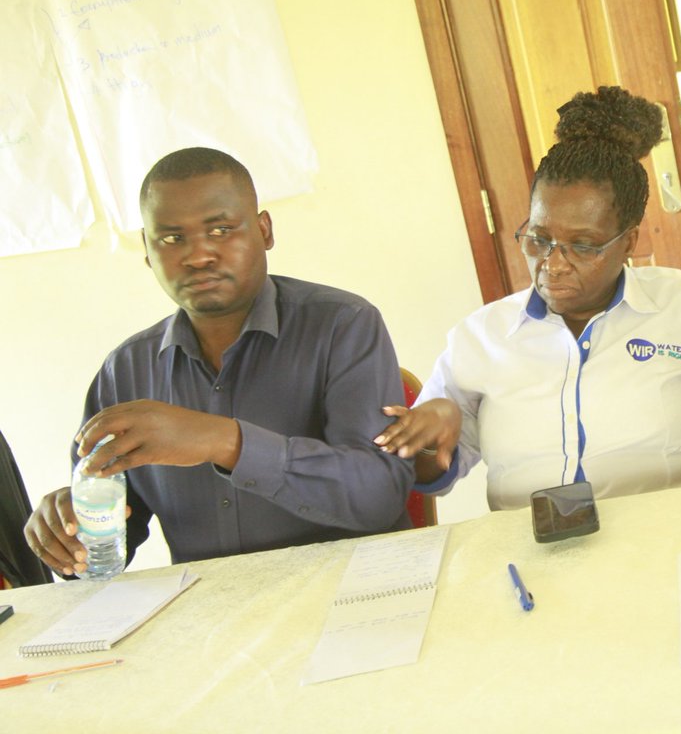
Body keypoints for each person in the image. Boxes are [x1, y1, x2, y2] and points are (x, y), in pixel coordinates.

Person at [375, 86, 681, 510]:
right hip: (528, 546)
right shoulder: (479, 337)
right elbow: (430, 476)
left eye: (583, 246)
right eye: (538, 239)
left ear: (628, 242)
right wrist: (430, 440)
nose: (553, 264)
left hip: (680, 538)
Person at [25, 147, 415, 575]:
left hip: (352, 591)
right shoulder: (124, 372)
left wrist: (224, 442)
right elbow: (109, 544)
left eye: (221, 229)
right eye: (172, 239)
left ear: (264, 230)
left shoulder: (343, 324)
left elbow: (378, 498)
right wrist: (70, 535)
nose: (198, 256)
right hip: (212, 607)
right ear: (148, 251)